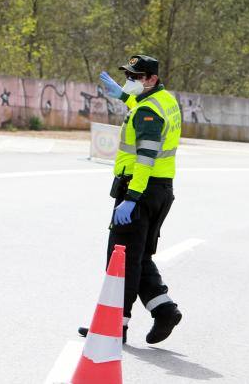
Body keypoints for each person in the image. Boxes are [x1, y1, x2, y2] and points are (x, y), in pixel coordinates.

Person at [78, 55, 183, 345]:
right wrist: (123, 95)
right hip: (160, 189)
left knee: (121, 258)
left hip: (141, 189)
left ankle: (114, 326)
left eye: (136, 77)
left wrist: (132, 198)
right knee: (136, 256)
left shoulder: (148, 113)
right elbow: (142, 106)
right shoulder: (164, 101)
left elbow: (145, 159)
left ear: (151, 79)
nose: (131, 80)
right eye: (129, 75)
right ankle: (164, 310)